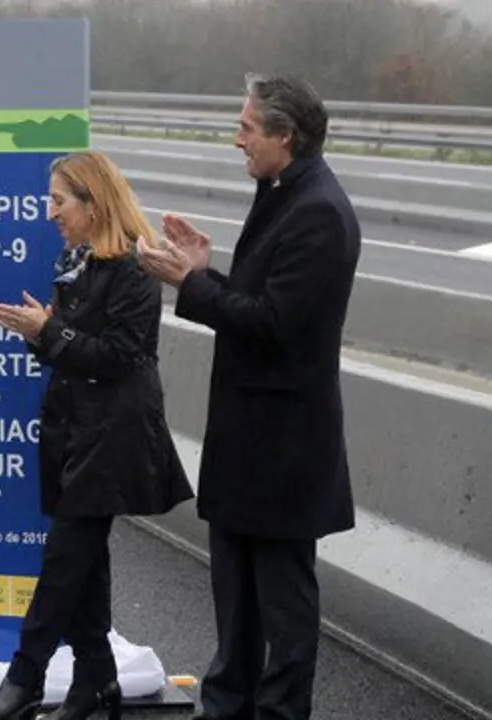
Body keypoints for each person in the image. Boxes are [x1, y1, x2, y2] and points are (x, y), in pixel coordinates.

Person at [136, 73, 360, 720]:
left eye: (246, 129)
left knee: (283, 604)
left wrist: (191, 284)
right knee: (236, 592)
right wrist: (205, 270)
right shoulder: (285, 191)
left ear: (284, 136)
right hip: (251, 438)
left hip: (284, 446)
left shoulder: (318, 210)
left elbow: (272, 323)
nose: (236, 140)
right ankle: (226, 704)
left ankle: (279, 713)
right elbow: (264, 299)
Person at [0, 150, 194, 720]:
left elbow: (119, 358)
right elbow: (69, 348)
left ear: (94, 204)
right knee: (85, 565)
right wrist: (38, 330)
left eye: (59, 201)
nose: (50, 213)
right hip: (73, 432)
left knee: (64, 562)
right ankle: (97, 680)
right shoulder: (79, 260)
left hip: (113, 439)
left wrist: (50, 329)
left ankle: (23, 680)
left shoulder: (137, 270)